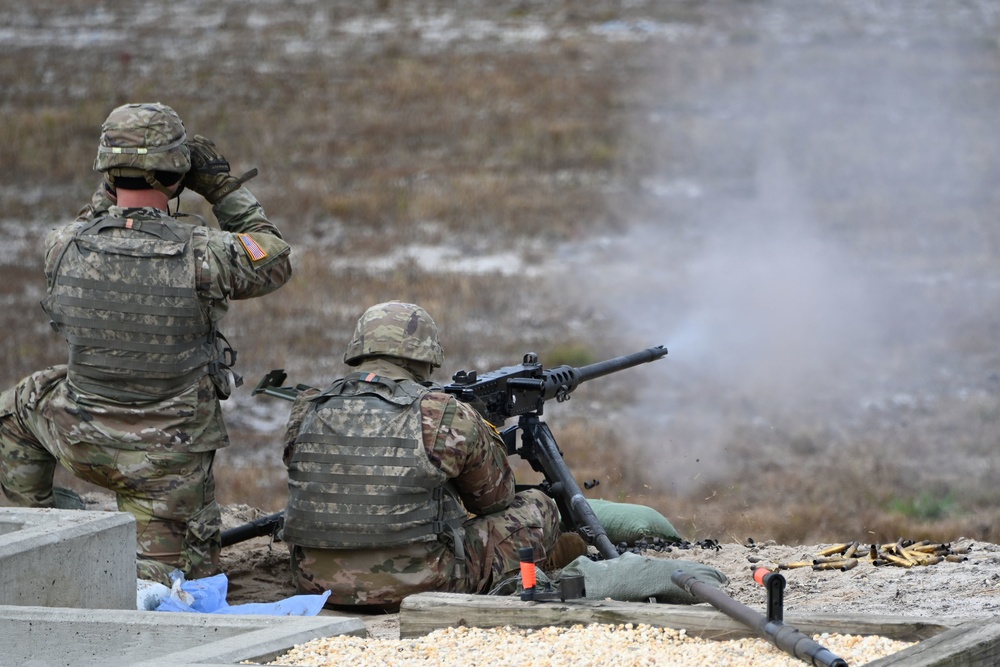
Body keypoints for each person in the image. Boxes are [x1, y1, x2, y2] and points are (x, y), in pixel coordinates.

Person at [0, 102, 292, 584]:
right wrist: (222, 188)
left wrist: (117, 180)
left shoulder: (62, 244)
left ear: (107, 171)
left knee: (15, 409)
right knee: (172, 588)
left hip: (81, 436)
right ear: (177, 173)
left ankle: (48, 526)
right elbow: (274, 256)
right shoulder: (206, 254)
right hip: (167, 463)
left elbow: (93, 220)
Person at [280, 301, 586, 611]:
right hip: (420, 585)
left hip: (315, 582)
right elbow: (494, 500)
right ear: (425, 355)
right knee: (538, 506)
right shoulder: (442, 413)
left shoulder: (308, 408)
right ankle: (558, 560)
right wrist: (481, 430)